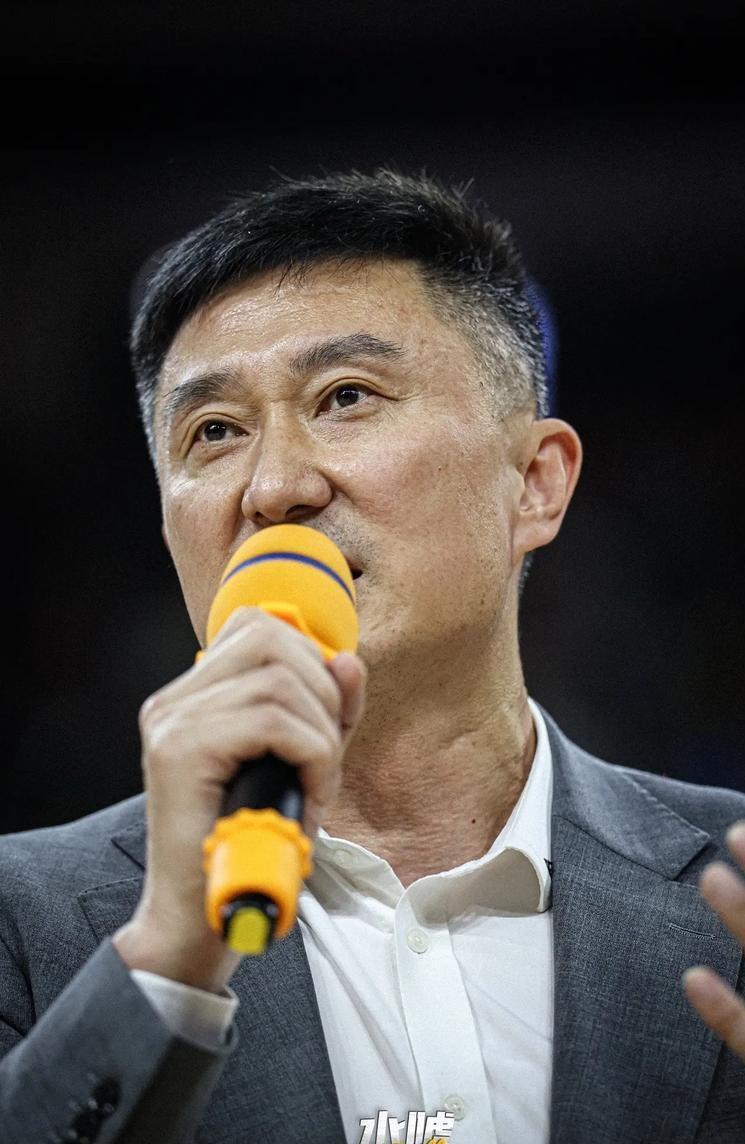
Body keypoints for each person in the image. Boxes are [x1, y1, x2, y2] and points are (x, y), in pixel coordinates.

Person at [0, 169, 743, 1144]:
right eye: (214, 431)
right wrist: (166, 964)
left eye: (346, 396)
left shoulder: (733, 886)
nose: (275, 487)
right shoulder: (23, 921)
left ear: (534, 483)